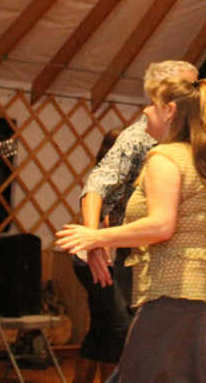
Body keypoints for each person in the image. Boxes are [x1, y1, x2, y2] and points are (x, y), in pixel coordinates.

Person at [56, 75, 206, 383]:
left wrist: (95, 236)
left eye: (152, 104)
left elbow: (162, 225)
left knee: (137, 374)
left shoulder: (164, 158)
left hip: (171, 291)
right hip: (191, 290)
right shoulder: (194, 156)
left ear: (169, 111)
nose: (145, 111)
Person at [78, 59, 199, 298]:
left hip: (183, 259)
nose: (195, 93)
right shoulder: (137, 138)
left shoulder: (194, 139)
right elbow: (97, 184)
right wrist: (93, 240)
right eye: (189, 85)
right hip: (138, 257)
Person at [72, 128, 129, 383]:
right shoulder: (109, 176)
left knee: (100, 328)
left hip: (94, 258)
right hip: (94, 259)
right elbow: (105, 219)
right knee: (118, 327)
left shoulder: (115, 175)